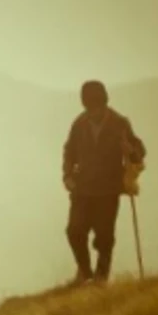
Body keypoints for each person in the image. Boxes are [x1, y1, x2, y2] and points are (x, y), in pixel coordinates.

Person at [61, 80, 146, 285]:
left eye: (97, 107)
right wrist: (67, 176)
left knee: (104, 236)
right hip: (82, 189)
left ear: (104, 103)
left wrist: (130, 151)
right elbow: (69, 152)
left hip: (108, 190)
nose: (93, 112)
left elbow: (139, 152)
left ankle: (100, 278)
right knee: (75, 231)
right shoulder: (79, 124)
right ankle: (85, 272)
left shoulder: (120, 123)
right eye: (89, 107)